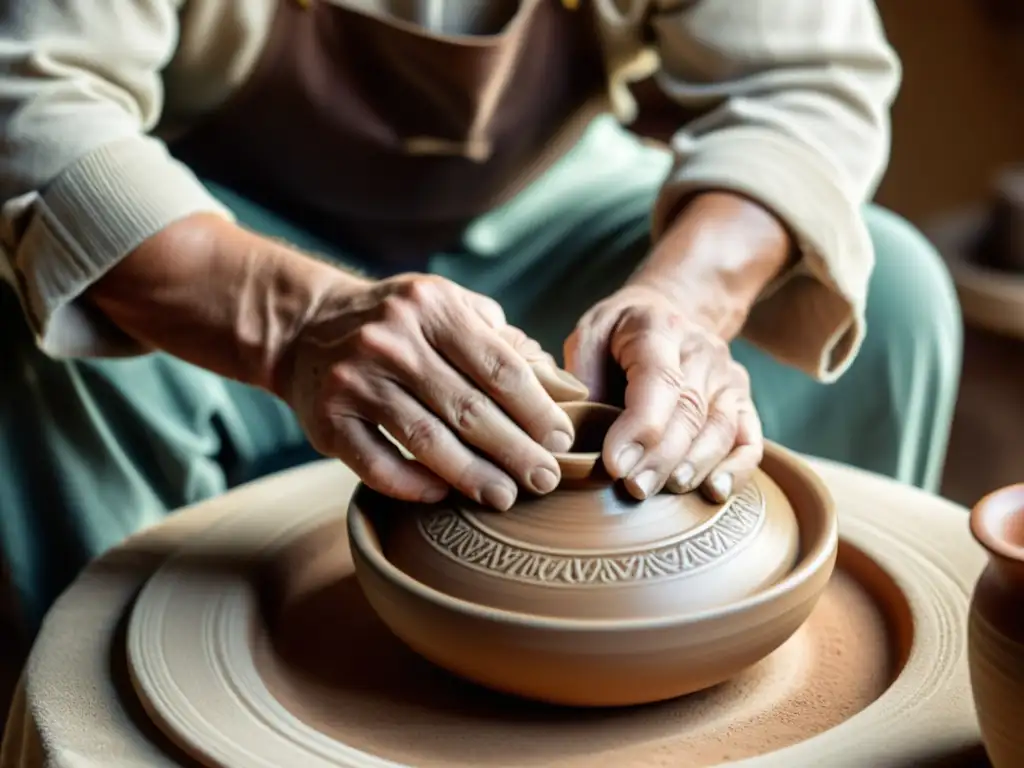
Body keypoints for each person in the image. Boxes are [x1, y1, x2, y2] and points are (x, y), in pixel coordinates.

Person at [0, 0, 960, 635]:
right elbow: (34, 92)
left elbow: (803, 81)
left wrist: (684, 300)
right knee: (40, 353)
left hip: (550, 197)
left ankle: (790, 676)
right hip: (223, 213)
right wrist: (297, 320)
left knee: (903, 292)